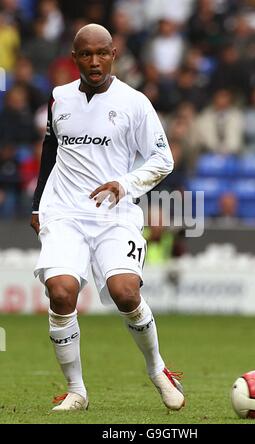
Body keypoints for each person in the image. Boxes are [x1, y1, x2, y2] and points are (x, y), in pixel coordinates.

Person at [30, 24, 185, 412]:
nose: (94, 61)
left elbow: (163, 160)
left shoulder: (135, 103)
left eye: (102, 53)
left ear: (114, 54)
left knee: (125, 292)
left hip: (114, 215)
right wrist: (37, 203)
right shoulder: (59, 98)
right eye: (86, 54)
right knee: (62, 292)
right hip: (64, 212)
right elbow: (51, 148)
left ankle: (157, 369)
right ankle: (76, 390)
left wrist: (125, 184)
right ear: (74, 57)